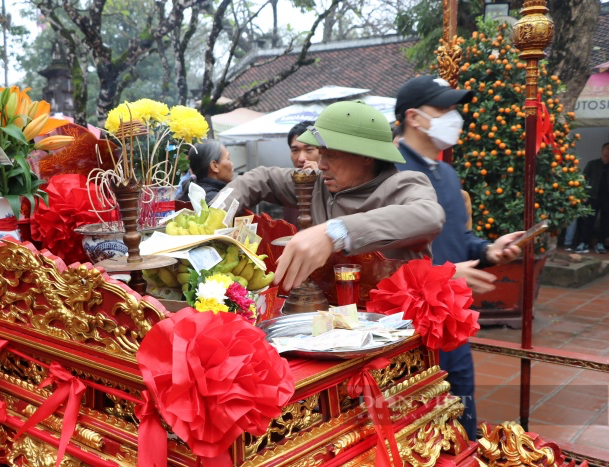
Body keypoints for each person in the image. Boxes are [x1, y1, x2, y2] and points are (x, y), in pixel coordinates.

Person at [395, 74, 524, 441]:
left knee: (462, 412)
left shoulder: (447, 174)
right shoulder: (391, 174)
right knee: (419, 425)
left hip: (453, 319)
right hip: (412, 325)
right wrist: (442, 276)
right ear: (414, 117)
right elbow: (381, 259)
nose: (455, 118)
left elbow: (458, 237)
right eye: (445, 109)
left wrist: (487, 250)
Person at [216, 100, 446, 291]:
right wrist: (213, 216)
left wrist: (334, 233)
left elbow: (429, 215)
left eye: (332, 156)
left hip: (392, 323)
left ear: (367, 156)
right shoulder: (315, 184)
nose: (321, 164)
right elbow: (260, 178)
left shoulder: (403, 184)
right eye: (322, 154)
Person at [574, 143, 609, 254]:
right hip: (593, 196)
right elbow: (582, 179)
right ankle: (583, 243)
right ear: (602, 150)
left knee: (605, 222)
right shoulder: (593, 164)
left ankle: (600, 243)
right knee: (588, 221)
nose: (607, 152)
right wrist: (583, 194)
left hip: (607, 198)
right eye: (606, 149)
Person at [177, 139, 234, 204]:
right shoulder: (216, 202)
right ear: (214, 166)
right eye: (228, 159)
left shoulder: (188, 193)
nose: (232, 164)